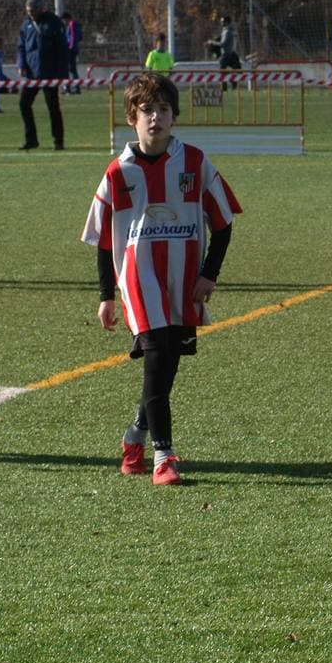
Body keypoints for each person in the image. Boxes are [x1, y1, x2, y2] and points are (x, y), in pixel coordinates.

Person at [80, 72, 243, 487]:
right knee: (156, 358)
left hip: (184, 279)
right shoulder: (118, 172)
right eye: (147, 110)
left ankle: (135, 433)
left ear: (175, 116)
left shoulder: (194, 162)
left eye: (164, 109)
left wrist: (209, 273)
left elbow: (223, 224)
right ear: (132, 118)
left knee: (167, 362)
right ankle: (163, 456)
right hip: (138, 280)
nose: (156, 118)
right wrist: (106, 296)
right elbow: (102, 240)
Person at [16, 0, 68, 151]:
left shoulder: (54, 23)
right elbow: (21, 47)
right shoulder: (26, 25)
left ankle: (58, 141)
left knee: (53, 107)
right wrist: (21, 65)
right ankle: (31, 139)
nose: (30, 14)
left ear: (41, 8)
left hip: (50, 74)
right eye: (28, 11)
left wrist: (61, 74)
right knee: (24, 104)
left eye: (32, 11)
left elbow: (62, 49)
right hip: (31, 74)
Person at [62, 11, 81, 94]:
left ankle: (69, 88)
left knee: (69, 69)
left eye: (64, 20)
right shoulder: (74, 24)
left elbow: (73, 37)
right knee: (72, 70)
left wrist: (70, 48)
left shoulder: (72, 24)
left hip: (71, 50)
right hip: (72, 50)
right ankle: (74, 88)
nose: (63, 22)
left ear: (66, 18)